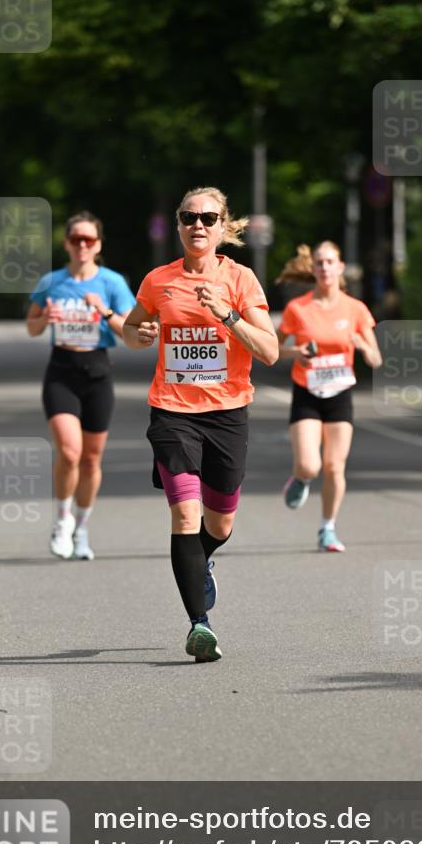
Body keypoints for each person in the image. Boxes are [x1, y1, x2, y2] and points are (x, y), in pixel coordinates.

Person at [122, 186, 278, 662]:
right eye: (189, 217)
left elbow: (269, 351)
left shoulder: (241, 280)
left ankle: (202, 559)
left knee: (220, 521)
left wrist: (227, 315)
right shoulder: (158, 281)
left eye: (208, 218)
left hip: (227, 413)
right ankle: (199, 625)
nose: (198, 225)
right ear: (178, 223)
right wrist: (140, 333)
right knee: (186, 516)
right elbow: (132, 330)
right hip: (172, 412)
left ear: (221, 226)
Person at [27, 211, 135, 560]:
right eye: (76, 239)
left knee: (91, 460)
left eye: (89, 240)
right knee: (69, 452)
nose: (83, 245)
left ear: (98, 245)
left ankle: (83, 529)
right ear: (67, 244)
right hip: (61, 371)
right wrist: (45, 317)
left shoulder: (112, 283)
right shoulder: (51, 282)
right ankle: (62, 521)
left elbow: (130, 331)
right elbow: (31, 327)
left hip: (98, 373)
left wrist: (104, 311)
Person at [277, 241, 381, 552]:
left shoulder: (355, 309)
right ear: (313, 269)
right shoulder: (299, 309)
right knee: (311, 466)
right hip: (307, 392)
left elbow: (377, 359)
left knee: (335, 466)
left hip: (340, 393)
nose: (324, 267)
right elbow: (272, 350)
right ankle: (300, 478)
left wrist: (364, 348)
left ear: (340, 268)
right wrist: (297, 353)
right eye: (319, 262)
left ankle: (328, 529)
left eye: (330, 262)